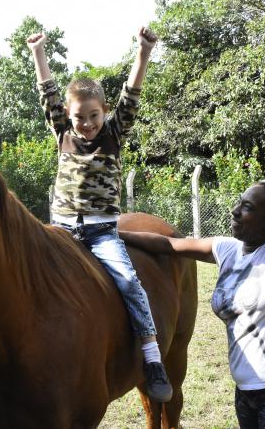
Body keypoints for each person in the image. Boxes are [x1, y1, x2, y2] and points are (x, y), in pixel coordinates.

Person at [120, 69, 265, 427]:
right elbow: (168, 243)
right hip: (249, 391)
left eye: (248, 207)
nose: (235, 211)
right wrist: (111, 232)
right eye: (239, 202)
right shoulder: (227, 249)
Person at [27, 27, 172, 402]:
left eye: (93, 115)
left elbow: (132, 91)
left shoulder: (114, 132)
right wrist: (39, 53)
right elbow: (48, 91)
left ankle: (152, 356)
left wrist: (143, 51)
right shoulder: (62, 132)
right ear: (68, 117)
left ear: (104, 112)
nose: (86, 124)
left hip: (101, 233)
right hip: (60, 231)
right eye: (80, 117)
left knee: (127, 281)